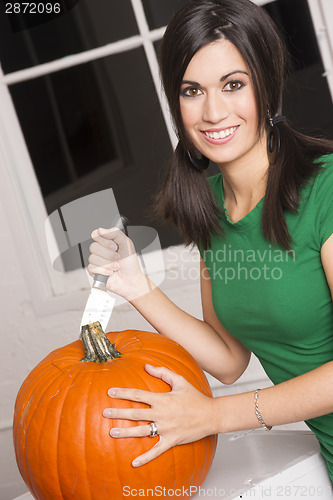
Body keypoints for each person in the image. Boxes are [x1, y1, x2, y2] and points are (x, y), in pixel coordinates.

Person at [88, 0, 333, 480]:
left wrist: (214, 415)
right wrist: (136, 286)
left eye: (234, 85)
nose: (213, 111)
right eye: (192, 90)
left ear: (268, 85)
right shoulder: (213, 207)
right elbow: (228, 359)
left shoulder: (325, 189)